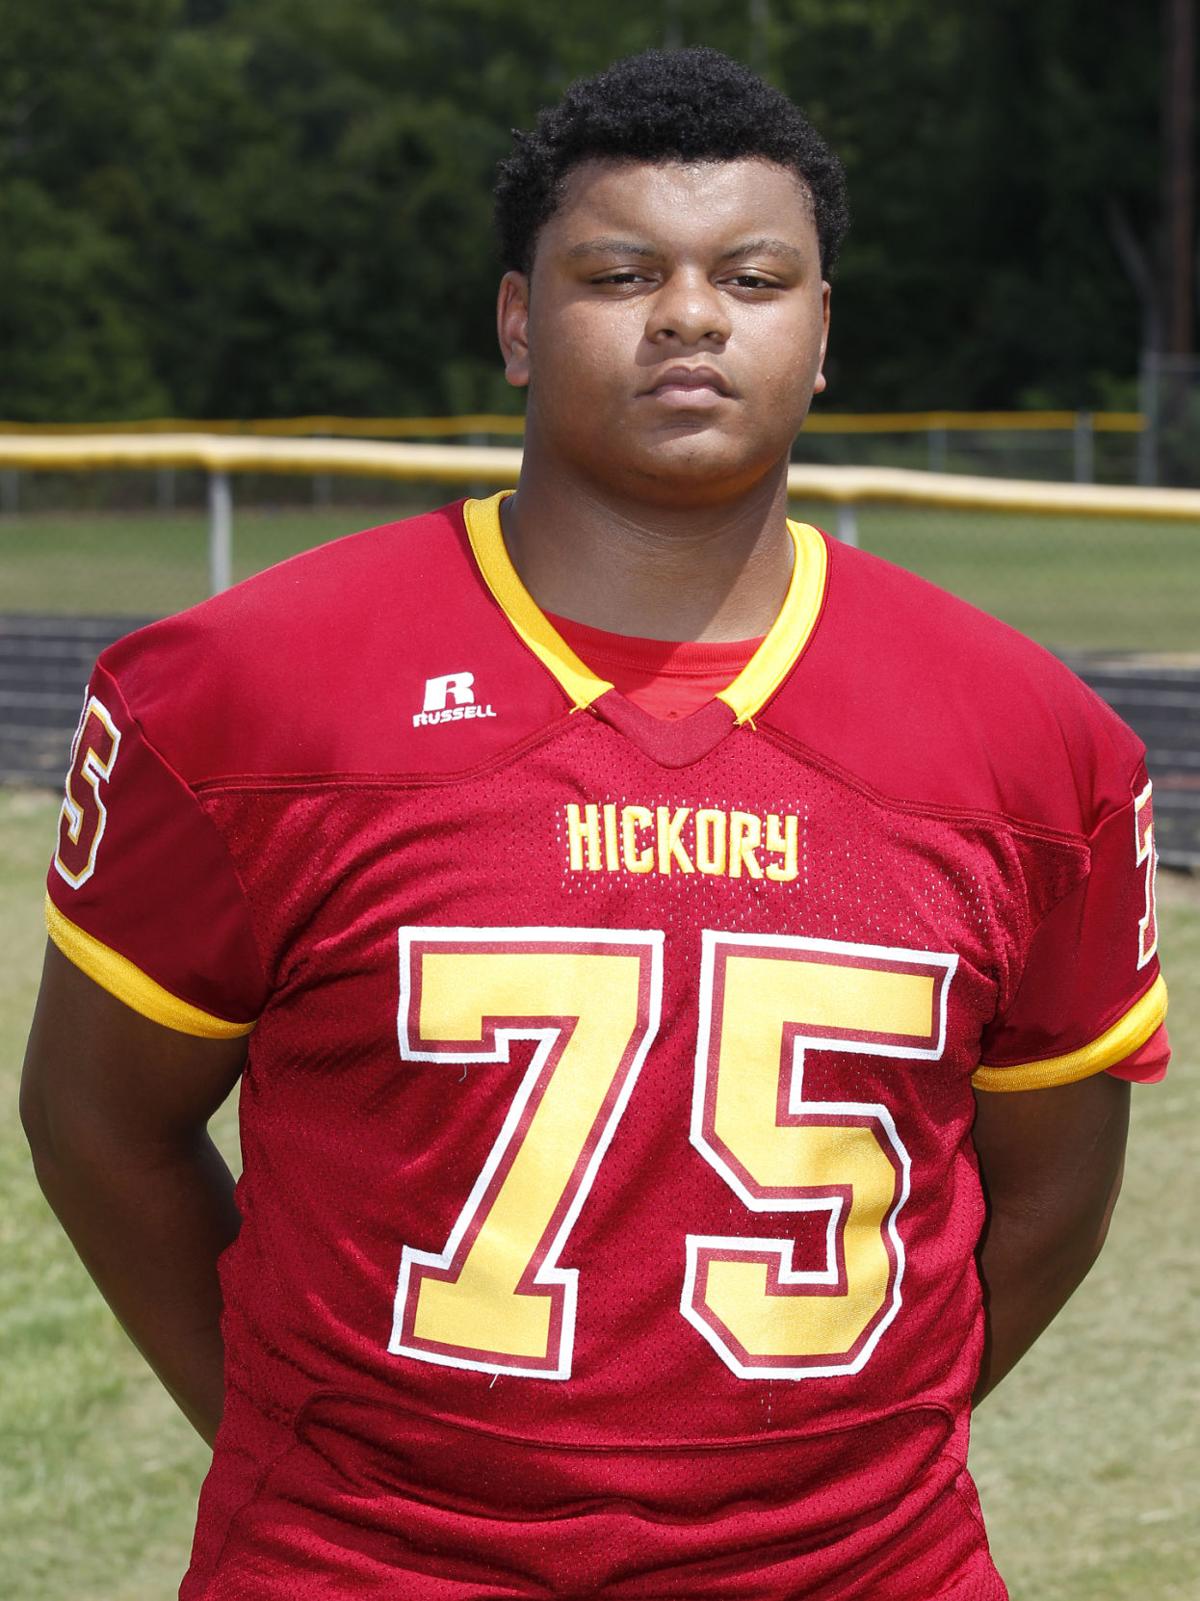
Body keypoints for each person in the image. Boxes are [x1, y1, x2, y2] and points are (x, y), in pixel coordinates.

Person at [21, 46, 1169, 1601]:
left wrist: (839, 1469)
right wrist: (304, 1452)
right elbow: (101, 1121)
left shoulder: (1034, 740)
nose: (691, 314)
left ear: (823, 332)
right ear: (514, 321)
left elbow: (1051, 1194)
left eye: (755, 276)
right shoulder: (246, 691)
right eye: (621, 271)